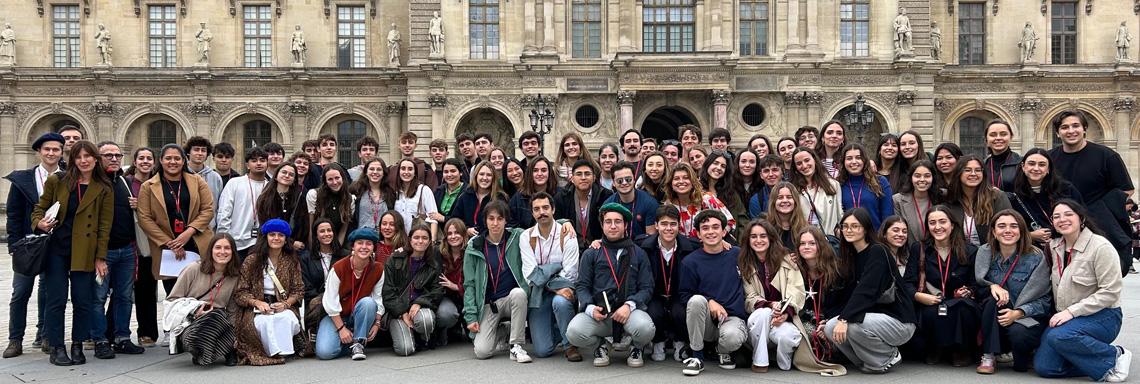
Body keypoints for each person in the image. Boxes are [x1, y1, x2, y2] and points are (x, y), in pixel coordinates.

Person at [31, 141, 113, 366]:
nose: (84, 160)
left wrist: (100, 257)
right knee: (56, 300)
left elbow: (105, 226)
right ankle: (56, 346)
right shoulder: (58, 181)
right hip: (57, 248)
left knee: (83, 300)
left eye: (88, 156)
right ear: (73, 159)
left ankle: (77, 344)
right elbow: (39, 207)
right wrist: (40, 223)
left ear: (96, 159)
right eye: (79, 156)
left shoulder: (104, 187)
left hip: (85, 250)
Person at [1036, 200, 1130, 382]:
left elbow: (1110, 291)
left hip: (1103, 315)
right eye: (1056, 216)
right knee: (1045, 367)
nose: (1062, 219)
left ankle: (1115, 356)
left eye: (1068, 214)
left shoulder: (1100, 247)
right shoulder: (1053, 247)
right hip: (1066, 318)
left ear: (1081, 218)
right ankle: (1093, 362)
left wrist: (1072, 312)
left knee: (1059, 336)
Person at [825, 208, 916, 374]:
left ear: (865, 229)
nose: (849, 230)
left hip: (899, 321)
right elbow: (848, 295)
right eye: (845, 226)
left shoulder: (878, 251)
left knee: (851, 324)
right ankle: (869, 361)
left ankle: (888, 355)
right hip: (872, 319)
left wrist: (844, 318)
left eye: (855, 226)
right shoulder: (850, 256)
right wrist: (831, 317)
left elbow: (866, 291)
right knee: (830, 327)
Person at [566, 203, 656, 368]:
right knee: (573, 332)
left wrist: (630, 305)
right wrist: (590, 308)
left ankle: (637, 347)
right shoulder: (592, 252)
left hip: (628, 314)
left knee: (646, 328)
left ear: (626, 225)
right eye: (608, 222)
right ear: (602, 225)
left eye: (618, 221)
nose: (613, 226)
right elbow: (582, 287)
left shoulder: (638, 253)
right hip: (601, 314)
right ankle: (600, 345)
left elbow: (647, 288)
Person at [1048, 110, 1135, 276]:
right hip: (1063, 227)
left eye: (1076, 126)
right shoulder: (1050, 158)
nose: (1071, 131)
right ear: (1058, 133)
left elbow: (1127, 189)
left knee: (1100, 276)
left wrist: (1100, 208)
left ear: (1084, 128)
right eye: (1065, 127)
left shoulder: (1107, 156)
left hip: (1099, 225)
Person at [3, 132, 63, 358]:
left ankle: (47, 336)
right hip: (27, 245)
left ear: (61, 152)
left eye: (56, 149)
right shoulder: (23, 179)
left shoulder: (67, 179)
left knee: (50, 293)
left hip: (55, 246)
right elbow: (14, 214)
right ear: (39, 151)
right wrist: (13, 244)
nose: (51, 153)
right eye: (47, 149)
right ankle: (15, 339)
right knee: (20, 292)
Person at [974, 210, 1052, 374]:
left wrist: (1019, 313)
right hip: (994, 316)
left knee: (1020, 361)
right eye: (1001, 226)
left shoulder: (1036, 257)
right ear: (994, 232)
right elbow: (977, 285)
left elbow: (1045, 300)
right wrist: (991, 286)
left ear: (1022, 231)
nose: (1007, 230)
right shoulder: (984, 252)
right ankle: (988, 355)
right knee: (992, 300)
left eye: (1013, 226)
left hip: (1025, 317)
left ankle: (1025, 355)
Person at [89, 141, 146, 358]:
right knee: (99, 297)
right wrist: (98, 256)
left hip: (127, 250)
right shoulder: (93, 183)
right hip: (104, 253)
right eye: (108, 155)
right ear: (97, 158)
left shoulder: (123, 180)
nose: (114, 159)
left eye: (117, 155)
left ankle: (122, 337)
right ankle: (100, 340)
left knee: (124, 296)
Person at [904, 205, 979, 366]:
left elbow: (976, 284)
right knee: (931, 311)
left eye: (942, 222)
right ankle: (935, 348)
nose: (937, 227)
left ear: (952, 225)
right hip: (930, 300)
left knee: (963, 309)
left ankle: (961, 350)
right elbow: (907, 283)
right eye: (932, 223)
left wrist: (969, 291)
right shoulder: (920, 249)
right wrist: (918, 296)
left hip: (957, 301)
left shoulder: (970, 250)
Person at [136, 144, 216, 294]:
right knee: (173, 293)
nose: (173, 162)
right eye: (168, 158)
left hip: (195, 243)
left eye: (177, 158)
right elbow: (144, 218)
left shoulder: (197, 181)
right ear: (160, 160)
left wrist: (188, 233)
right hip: (168, 248)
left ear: (183, 161)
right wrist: (170, 243)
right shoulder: (148, 186)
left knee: (199, 292)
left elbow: (208, 210)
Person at [462, 200, 533, 362]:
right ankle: (503, 330)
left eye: (499, 219)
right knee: (482, 352)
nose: (495, 223)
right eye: (491, 218)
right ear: (485, 220)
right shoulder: (474, 246)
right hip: (489, 304)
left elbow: (541, 228)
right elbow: (469, 284)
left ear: (505, 220)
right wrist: (471, 316)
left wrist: (565, 223)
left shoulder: (517, 236)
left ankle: (516, 346)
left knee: (519, 293)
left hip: (512, 299)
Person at [679, 210, 748, 376]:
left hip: (732, 318)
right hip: (707, 322)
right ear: (699, 234)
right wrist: (709, 301)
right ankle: (697, 357)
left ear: (724, 231)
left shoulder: (737, 255)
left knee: (732, 337)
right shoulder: (690, 262)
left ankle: (722, 350)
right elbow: (684, 295)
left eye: (716, 227)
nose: (711, 231)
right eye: (705, 228)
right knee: (696, 300)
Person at [233, 219, 305, 365]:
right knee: (263, 322)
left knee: (286, 318)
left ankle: (283, 351)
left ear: (286, 240)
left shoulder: (292, 261)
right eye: (272, 234)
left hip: (282, 304)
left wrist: (285, 304)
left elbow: (299, 290)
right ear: (266, 237)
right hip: (257, 307)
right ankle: (269, 352)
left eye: (280, 235)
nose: (276, 238)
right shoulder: (251, 261)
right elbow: (240, 292)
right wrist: (257, 303)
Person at [165, 234, 242, 366]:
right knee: (194, 335)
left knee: (216, 316)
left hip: (218, 319)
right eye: (218, 248)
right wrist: (193, 311)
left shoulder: (235, 276)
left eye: (227, 248)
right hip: (191, 320)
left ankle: (227, 349)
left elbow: (232, 309)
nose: (222, 252)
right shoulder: (194, 269)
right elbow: (172, 299)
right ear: (211, 250)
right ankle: (203, 352)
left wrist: (234, 334)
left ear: (233, 252)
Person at [521, 192, 581, 360]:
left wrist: (545, 273)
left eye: (546, 207)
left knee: (561, 302)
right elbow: (530, 275)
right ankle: (562, 332)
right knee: (542, 351)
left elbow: (570, 273)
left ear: (553, 209)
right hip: (540, 292)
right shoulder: (526, 237)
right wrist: (554, 274)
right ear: (532, 213)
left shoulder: (567, 233)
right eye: (537, 209)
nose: (542, 212)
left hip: (564, 290)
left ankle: (570, 344)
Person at [740, 220, 803, 372]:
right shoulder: (744, 263)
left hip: (782, 317)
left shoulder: (787, 260)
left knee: (787, 336)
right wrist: (770, 305)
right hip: (758, 321)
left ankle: (782, 359)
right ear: (748, 240)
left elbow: (796, 290)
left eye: (763, 236)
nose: (758, 240)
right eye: (753, 236)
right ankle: (760, 361)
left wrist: (785, 313)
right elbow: (750, 298)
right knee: (764, 313)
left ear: (771, 238)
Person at [315, 228, 386, 361]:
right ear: (353, 246)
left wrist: (377, 323)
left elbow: (377, 298)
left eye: (369, 243)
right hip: (336, 316)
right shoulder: (339, 267)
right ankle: (351, 343)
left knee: (368, 303)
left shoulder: (378, 269)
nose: (364, 247)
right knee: (324, 352)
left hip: (360, 314)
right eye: (360, 243)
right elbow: (329, 301)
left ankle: (358, 343)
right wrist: (341, 328)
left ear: (373, 248)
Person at [639, 205, 697, 362]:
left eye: (673, 224)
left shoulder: (690, 247)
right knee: (653, 312)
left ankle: (680, 341)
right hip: (655, 294)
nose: (668, 228)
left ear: (679, 226)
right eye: (664, 224)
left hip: (679, 294)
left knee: (681, 312)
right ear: (656, 225)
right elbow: (622, 244)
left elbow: (711, 245)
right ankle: (658, 341)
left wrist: (726, 244)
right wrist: (598, 242)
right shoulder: (644, 246)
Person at [794, 227, 850, 373]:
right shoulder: (795, 270)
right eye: (802, 243)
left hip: (832, 319)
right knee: (802, 332)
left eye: (812, 243)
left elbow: (844, 302)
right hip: (805, 320)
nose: (806, 247)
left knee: (833, 333)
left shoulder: (837, 270)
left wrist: (827, 322)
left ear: (821, 245)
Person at [384, 223, 445, 356]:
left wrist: (420, 302)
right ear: (410, 239)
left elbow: (438, 290)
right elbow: (388, 292)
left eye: (424, 238)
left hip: (419, 308)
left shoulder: (433, 263)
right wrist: (402, 312)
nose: (420, 241)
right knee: (405, 350)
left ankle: (422, 336)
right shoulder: (395, 259)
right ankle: (407, 334)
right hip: (398, 311)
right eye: (416, 237)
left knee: (426, 321)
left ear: (430, 242)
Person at [1007, 148, 1083, 249]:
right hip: (1031, 250)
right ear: (1023, 166)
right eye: (1031, 163)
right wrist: (1031, 235)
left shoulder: (1065, 189)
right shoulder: (1013, 194)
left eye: (1042, 165)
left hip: (1067, 245)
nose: (1036, 168)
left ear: (1048, 169)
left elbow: (1081, 217)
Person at [126, 147, 162, 348]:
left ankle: (155, 332)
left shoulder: (159, 182)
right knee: (139, 289)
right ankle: (140, 332)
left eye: (149, 158)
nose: (145, 161)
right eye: (141, 158)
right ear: (135, 161)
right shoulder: (127, 183)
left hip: (158, 240)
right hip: (136, 241)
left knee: (156, 288)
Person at [217, 147, 270, 260]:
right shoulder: (235, 183)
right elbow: (224, 213)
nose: (259, 163)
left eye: (262, 160)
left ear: (267, 163)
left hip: (261, 243)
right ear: (247, 165)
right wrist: (225, 239)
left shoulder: (270, 187)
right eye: (254, 160)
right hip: (236, 242)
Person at [946, 156, 1013, 245]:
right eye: (967, 170)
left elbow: (1009, 227)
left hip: (991, 254)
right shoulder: (951, 199)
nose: (973, 174)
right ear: (958, 173)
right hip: (960, 255)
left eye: (978, 170)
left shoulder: (997, 197)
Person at [664, 162, 735, 239]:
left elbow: (730, 221)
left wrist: (719, 239)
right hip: (682, 249)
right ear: (671, 184)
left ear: (693, 182)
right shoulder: (668, 205)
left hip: (708, 247)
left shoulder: (707, 199)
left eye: (686, 178)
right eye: (676, 178)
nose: (681, 181)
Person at [555, 159, 612, 252]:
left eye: (587, 174)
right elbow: (556, 224)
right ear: (572, 179)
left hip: (599, 248)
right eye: (579, 174)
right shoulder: (561, 198)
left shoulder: (605, 196)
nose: (583, 177)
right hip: (570, 249)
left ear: (594, 178)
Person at [299, 219, 345, 332]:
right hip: (315, 301)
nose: (326, 234)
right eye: (322, 231)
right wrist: (323, 298)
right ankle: (313, 331)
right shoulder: (306, 258)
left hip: (339, 300)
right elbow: (306, 286)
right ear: (316, 235)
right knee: (317, 306)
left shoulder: (345, 256)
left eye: (329, 230)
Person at [839, 143, 895, 230]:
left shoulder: (880, 182)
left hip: (875, 238)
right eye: (849, 158)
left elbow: (887, 215)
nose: (854, 162)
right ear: (843, 162)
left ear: (865, 160)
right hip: (848, 237)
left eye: (858, 158)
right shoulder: (839, 184)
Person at [255, 164, 309, 251]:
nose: (287, 176)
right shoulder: (264, 198)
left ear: (294, 180)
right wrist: (290, 242)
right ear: (276, 176)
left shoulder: (300, 198)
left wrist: (293, 243)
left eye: (291, 174)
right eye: (284, 172)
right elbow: (265, 225)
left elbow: (302, 226)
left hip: (293, 249)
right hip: (269, 245)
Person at [790, 147, 842, 234]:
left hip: (828, 239)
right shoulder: (794, 189)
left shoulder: (833, 185)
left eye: (807, 160)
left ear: (814, 160)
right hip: (804, 240)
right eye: (799, 163)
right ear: (795, 167)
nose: (804, 165)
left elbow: (839, 214)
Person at [451, 161, 509, 236]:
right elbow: (455, 219)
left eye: (489, 175)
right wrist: (466, 229)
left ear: (493, 178)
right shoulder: (465, 196)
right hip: (467, 240)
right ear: (476, 176)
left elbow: (506, 222)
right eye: (481, 174)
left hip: (491, 240)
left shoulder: (500, 198)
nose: (485, 178)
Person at [603, 161, 658, 238]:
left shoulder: (650, 203)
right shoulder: (608, 205)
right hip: (616, 246)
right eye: (619, 181)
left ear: (634, 179)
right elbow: (607, 235)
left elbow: (651, 239)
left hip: (643, 247)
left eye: (628, 179)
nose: (624, 183)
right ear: (614, 183)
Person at [436, 218, 469, 345]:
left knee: (473, 339)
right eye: (449, 233)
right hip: (446, 297)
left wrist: (456, 286)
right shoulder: (439, 253)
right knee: (446, 314)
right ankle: (444, 329)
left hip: (467, 297)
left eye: (457, 233)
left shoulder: (471, 252)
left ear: (463, 234)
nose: (453, 236)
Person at [306, 164, 356, 244]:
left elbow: (343, 230)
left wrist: (337, 250)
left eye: (337, 178)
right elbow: (311, 227)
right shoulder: (314, 195)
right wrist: (313, 250)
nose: (335, 182)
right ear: (325, 181)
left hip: (337, 243)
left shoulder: (350, 199)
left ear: (342, 178)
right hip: (317, 243)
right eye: (330, 179)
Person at [893, 160, 941, 244]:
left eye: (927, 176)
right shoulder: (898, 200)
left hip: (936, 251)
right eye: (917, 176)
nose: (922, 180)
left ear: (933, 177)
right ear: (911, 178)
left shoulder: (942, 196)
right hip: (909, 252)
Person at [393, 157, 440, 235]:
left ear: (415, 172)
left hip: (419, 240)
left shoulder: (424, 190)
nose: (406, 172)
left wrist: (432, 242)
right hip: (399, 239)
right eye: (403, 169)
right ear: (399, 172)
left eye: (410, 169)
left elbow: (433, 219)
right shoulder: (396, 192)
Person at [508, 157, 557, 229]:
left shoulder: (560, 195)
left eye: (543, 170)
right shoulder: (518, 198)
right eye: (535, 171)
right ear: (530, 173)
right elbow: (511, 225)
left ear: (549, 172)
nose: (539, 174)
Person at [700, 151, 747, 227]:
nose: (719, 168)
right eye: (715, 163)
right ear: (707, 164)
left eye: (723, 166)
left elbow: (742, 220)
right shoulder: (696, 189)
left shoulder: (730, 193)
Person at [348, 158, 393, 231]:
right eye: (371, 169)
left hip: (382, 239)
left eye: (379, 169)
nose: (375, 172)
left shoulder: (390, 193)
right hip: (361, 238)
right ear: (366, 172)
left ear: (384, 172)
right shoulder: (355, 190)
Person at [184, 136, 224, 210]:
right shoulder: (181, 175)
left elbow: (220, 206)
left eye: (203, 150)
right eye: (196, 150)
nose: (200, 153)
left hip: (210, 220)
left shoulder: (215, 177)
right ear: (188, 152)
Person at [767, 182, 810, 248]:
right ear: (773, 202)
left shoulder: (806, 229)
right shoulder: (766, 228)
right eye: (780, 197)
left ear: (795, 201)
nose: (785, 200)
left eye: (789, 197)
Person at [982, 120, 1021, 192]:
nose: (998, 138)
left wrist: (1001, 195)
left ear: (1011, 137)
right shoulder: (982, 165)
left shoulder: (1022, 164)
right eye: (993, 135)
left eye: (1003, 134)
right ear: (986, 140)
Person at [733, 150, 761, 219]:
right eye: (743, 161)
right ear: (737, 163)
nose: (747, 165)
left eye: (752, 162)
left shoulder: (763, 184)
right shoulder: (730, 184)